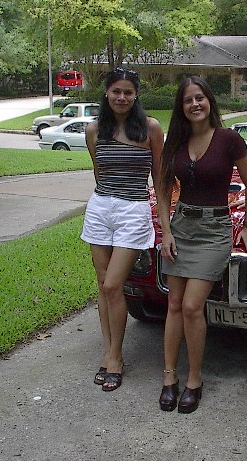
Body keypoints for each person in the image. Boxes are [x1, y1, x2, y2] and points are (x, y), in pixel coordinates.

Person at [158, 76, 247, 413]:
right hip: (181, 226)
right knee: (174, 304)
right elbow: (162, 188)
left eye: (199, 98)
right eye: (188, 100)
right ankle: (169, 377)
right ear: (181, 107)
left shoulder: (229, 139)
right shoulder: (176, 140)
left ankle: (194, 379)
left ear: (209, 101)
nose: (195, 104)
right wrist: (167, 231)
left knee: (191, 306)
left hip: (214, 230)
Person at [81, 68, 165, 392]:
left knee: (114, 285)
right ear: (106, 92)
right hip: (101, 209)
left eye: (128, 92)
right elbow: (99, 172)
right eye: (116, 91)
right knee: (104, 286)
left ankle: (115, 357)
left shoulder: (150, 128)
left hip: (133, 211)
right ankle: (108, 352)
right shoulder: (94, 130)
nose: (122, 97)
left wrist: (165, 223)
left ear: (136, 95)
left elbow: (160, 179)